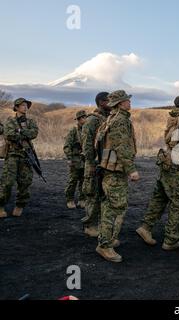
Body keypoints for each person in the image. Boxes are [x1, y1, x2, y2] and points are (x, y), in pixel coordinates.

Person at [136, 66, 179, 250]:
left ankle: (145, 227)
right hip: (178, 166)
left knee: (160, 197)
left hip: (167, 162)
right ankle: (171, 240)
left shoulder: (174, 114)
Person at [96, 90, 139, 263]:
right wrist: (131, 170)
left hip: (111, 170)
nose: (130, 102)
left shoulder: (111, 118)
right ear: (121, 103)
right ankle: (105, 245)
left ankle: (108, 239)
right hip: (115, 172)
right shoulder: (120, 120)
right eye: (127, 100)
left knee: (110, 206)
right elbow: (122, 147)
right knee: (114, 208)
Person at [0, 98, 39, 218]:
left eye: (26, 105)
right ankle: (0, 206)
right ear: (16, 107)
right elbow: (9, 135)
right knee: (7, 182)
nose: (25, 107)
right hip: (12, 155)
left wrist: (19, 131)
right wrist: (23, 132)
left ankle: (20, 205)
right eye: (22, 105)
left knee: (25, 182)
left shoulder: (31, 121)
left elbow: (34, 133)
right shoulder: (10, 120)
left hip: (26, 155)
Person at [80, 92, 110, 237]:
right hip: (94, 163)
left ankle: (99, 224)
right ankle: (89, 225)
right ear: (101, 102)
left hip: (104, 163)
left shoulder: (108, 118)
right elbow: (86, 145)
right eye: (108, 101)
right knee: (92, 195)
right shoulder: (92, 120)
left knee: (103, 195)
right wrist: (91, 163)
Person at [64, 110, 88, 209]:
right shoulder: (73, 131)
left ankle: (82, 199)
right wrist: (69, 158)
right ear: (79, 119)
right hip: (75, 159)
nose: (85, 119)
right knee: (73, 181)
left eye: (85, 117)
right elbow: (67, 146)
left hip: (85, 160)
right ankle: (70, 200)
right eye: (83, 118)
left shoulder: (87, 130)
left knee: (84, 180)